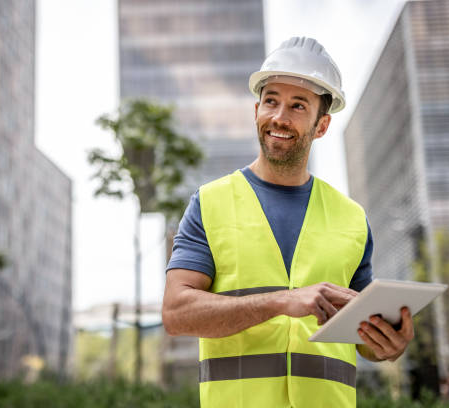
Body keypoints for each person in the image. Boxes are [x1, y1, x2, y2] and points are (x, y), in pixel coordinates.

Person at [161, 37, 415, 408]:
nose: (280, 117)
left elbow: (362, 337)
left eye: (298, 106)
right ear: (256, 110)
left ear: (322, 124)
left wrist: (387, 344)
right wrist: (281, 302)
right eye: (271, 101)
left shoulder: (351, 218)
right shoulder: (210, 203)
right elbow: (176, 314)